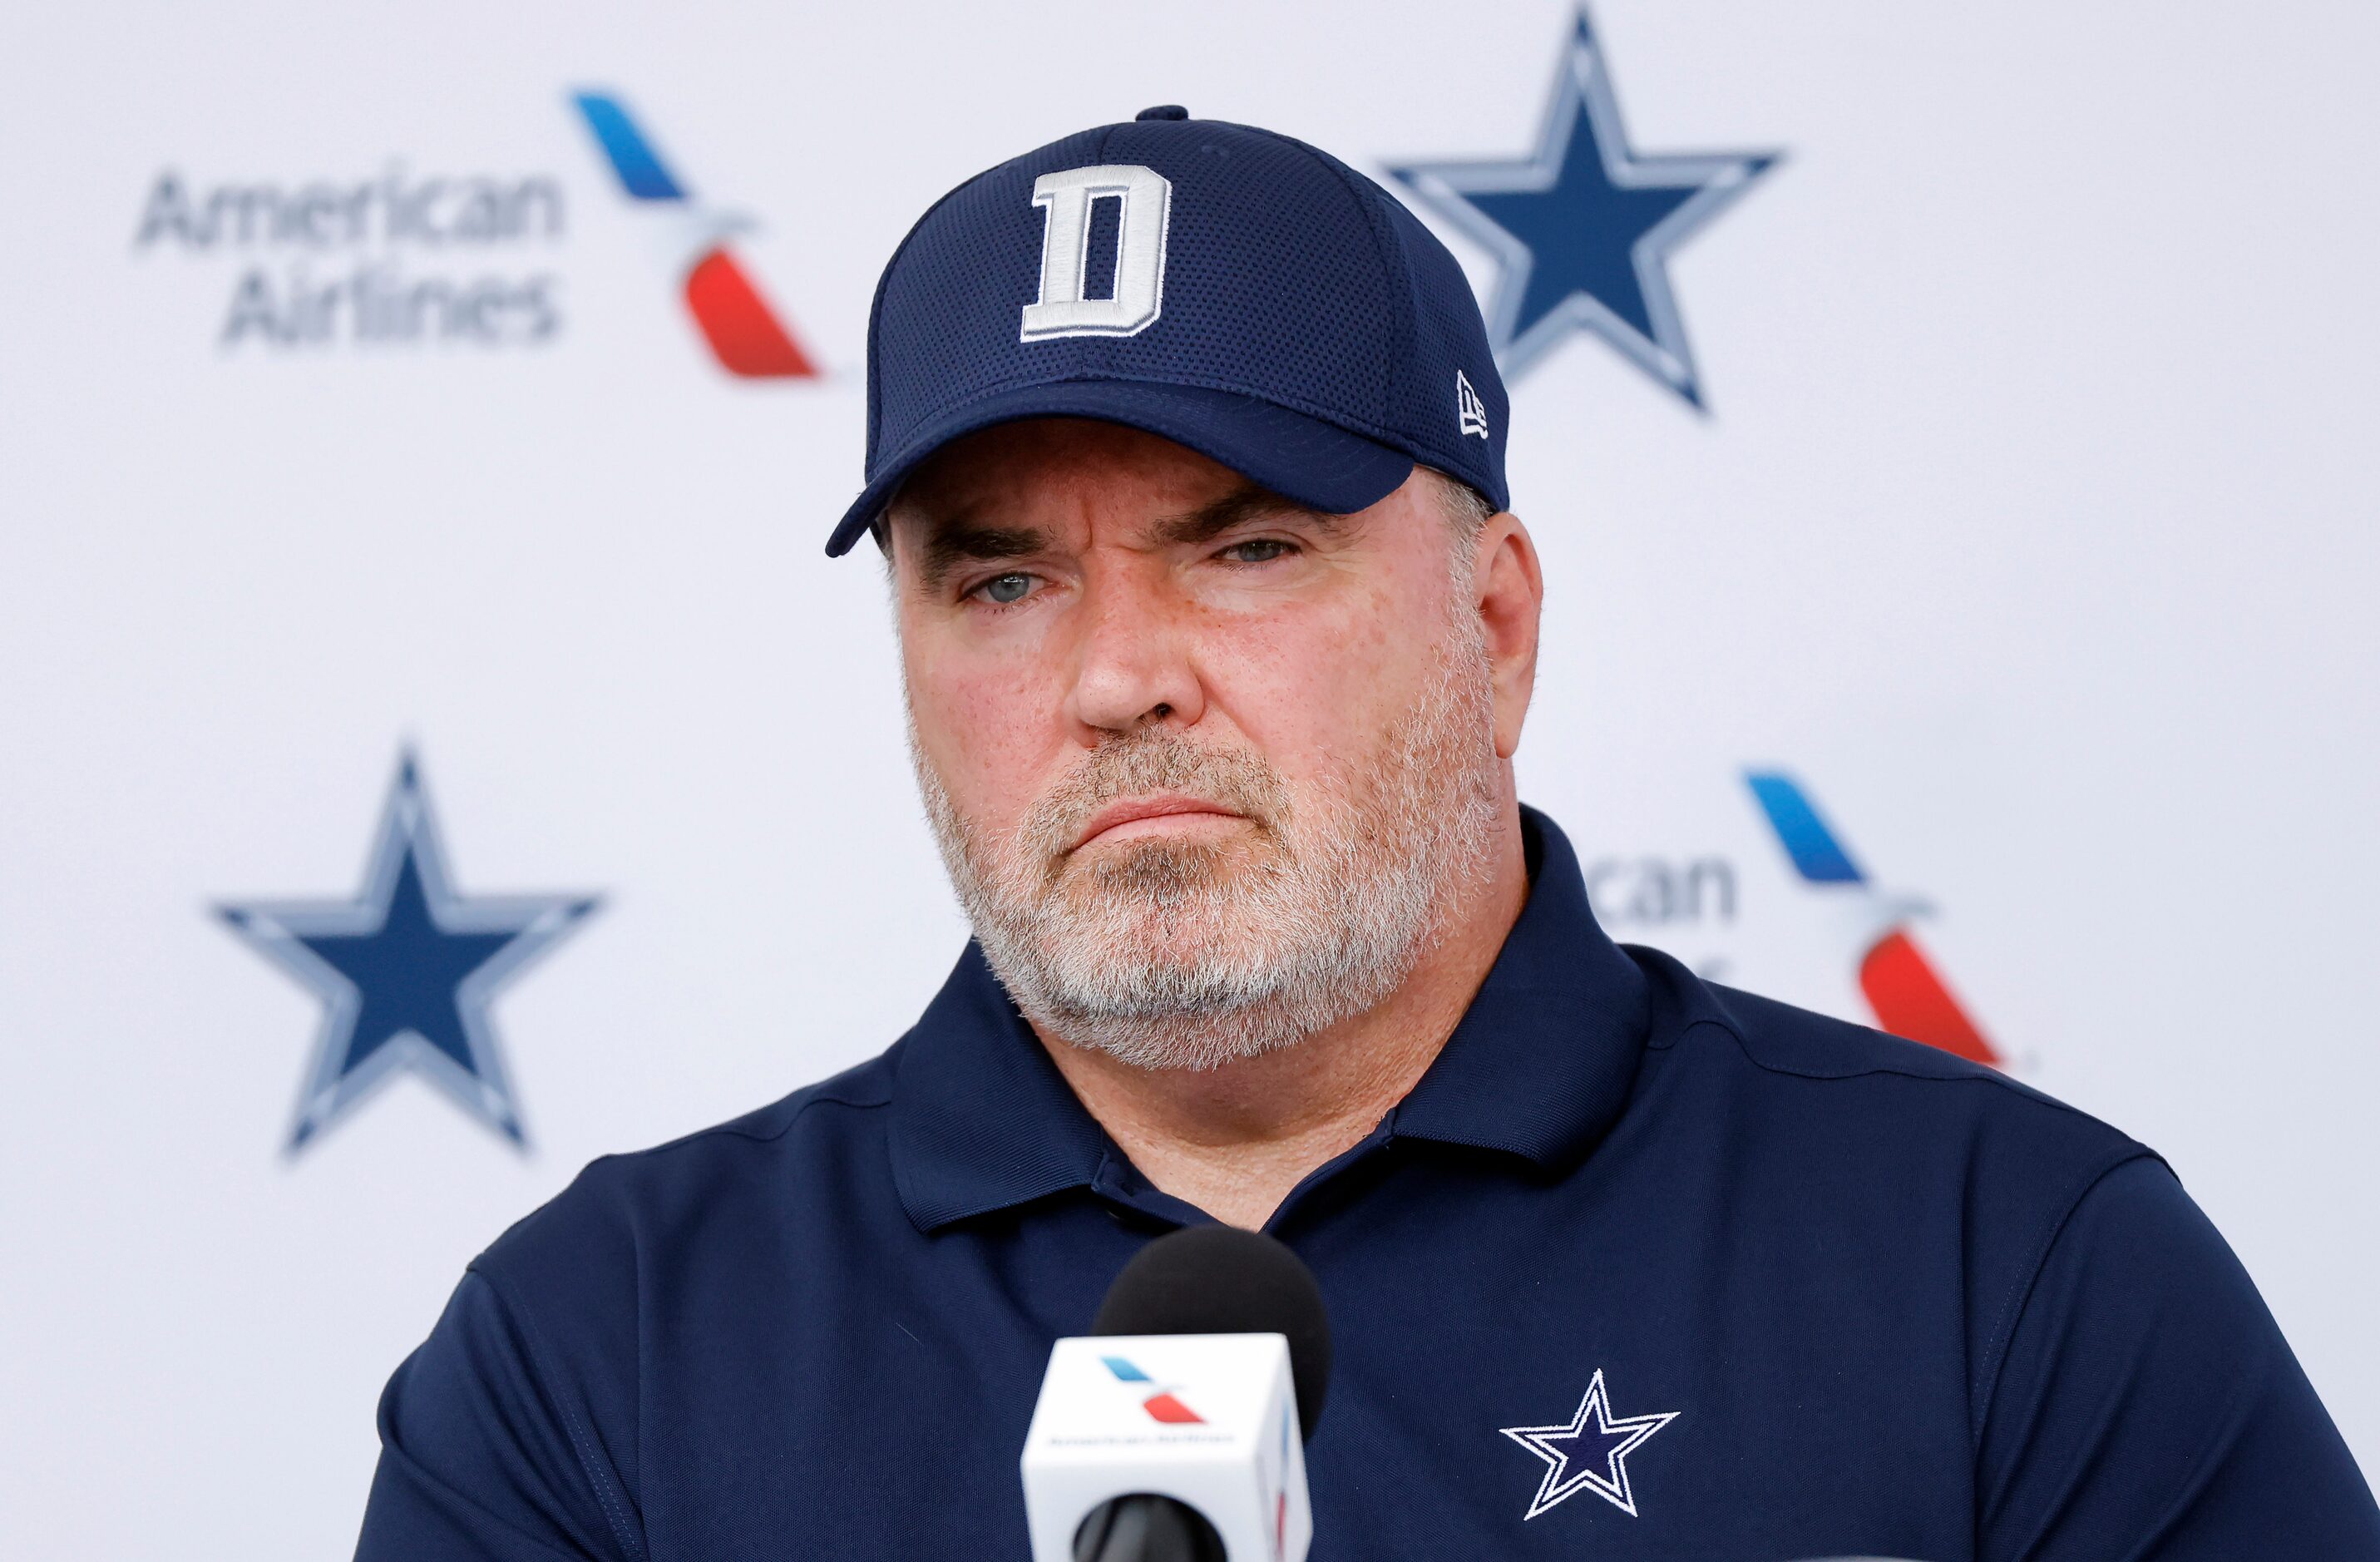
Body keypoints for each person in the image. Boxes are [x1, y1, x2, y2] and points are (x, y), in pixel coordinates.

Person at [354, 107, 2380, 1560]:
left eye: (1241, 548)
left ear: (1492, 627)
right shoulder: (598, 1352)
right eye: (997, 582)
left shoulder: (1997, 1271)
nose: (1114, 677)